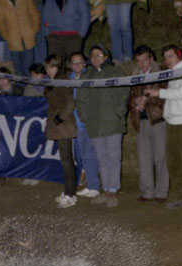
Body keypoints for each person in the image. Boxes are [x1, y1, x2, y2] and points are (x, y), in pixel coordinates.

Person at [145, 44, 182, 211]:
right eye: (165, 57)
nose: (167, 60)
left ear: (179, 55)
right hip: (172, 123)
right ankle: (181, 195)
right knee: (174, 163)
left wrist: (159, 93)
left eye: (170, 56)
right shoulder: (174, 74)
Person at [75, 45, 129, 206]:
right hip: (95, 124)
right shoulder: (87, 76)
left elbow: (124, 93)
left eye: (99, 55)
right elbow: (81, 100)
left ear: (106, 57)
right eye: (92, 55)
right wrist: (85, 117)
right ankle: (105, 189)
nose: (95, 58)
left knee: (113, 158)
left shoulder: (115, 73)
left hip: (112, 123)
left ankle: (113, 191)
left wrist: (119, 112)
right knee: (101, 159)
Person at [127, 45, 168, 203]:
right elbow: (129, 98)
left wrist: (147, 100)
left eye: (145, 60)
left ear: (151, 59)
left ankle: (161, 192)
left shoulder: (162, 74)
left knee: (160, 157)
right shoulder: (134, 75)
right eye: (139, 61)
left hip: (158, 120)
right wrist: (135, 101)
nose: (142, 64)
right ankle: (147, 191)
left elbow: (165, 96)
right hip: (140, 121)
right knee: (144, 158)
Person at [44, 54, 77, 207]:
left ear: (57, 66)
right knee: (65, 160)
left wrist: (60, 117)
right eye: (47, 68)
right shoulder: (54, 81)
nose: (48, 70)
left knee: (67, 161)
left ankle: (70, 194)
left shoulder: (61, 80)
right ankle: (68, 191)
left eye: (51, 67)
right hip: (60, 126)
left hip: (64, 126)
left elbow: (70, 103)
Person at [68, 52, 100, 199]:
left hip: (90, 122)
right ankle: (91, 184)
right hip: (78, 123)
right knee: (83, 155)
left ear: (85, 64)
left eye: (79, 62)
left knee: (92, 154)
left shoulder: (90, 77)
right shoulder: (69, 80)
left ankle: (95, 186)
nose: (77, 65)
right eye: (74, 62)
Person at [0, 0, 38, 75]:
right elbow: (0, 22)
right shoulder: (2, 3)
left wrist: (34, 29)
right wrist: (7, 36)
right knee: (17, 66)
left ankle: (30, 85)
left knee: (29, 65)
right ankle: (19, 85)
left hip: (28, 38)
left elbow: (35, 13)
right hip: (13, 39)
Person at [41, 0, 90, 66]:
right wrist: (48, 34)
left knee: (74, 64)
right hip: (54, 37)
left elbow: (85, 15)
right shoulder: (50, 1)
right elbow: (45, 15)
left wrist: (81, 35)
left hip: (73, 36)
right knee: (55, 65)